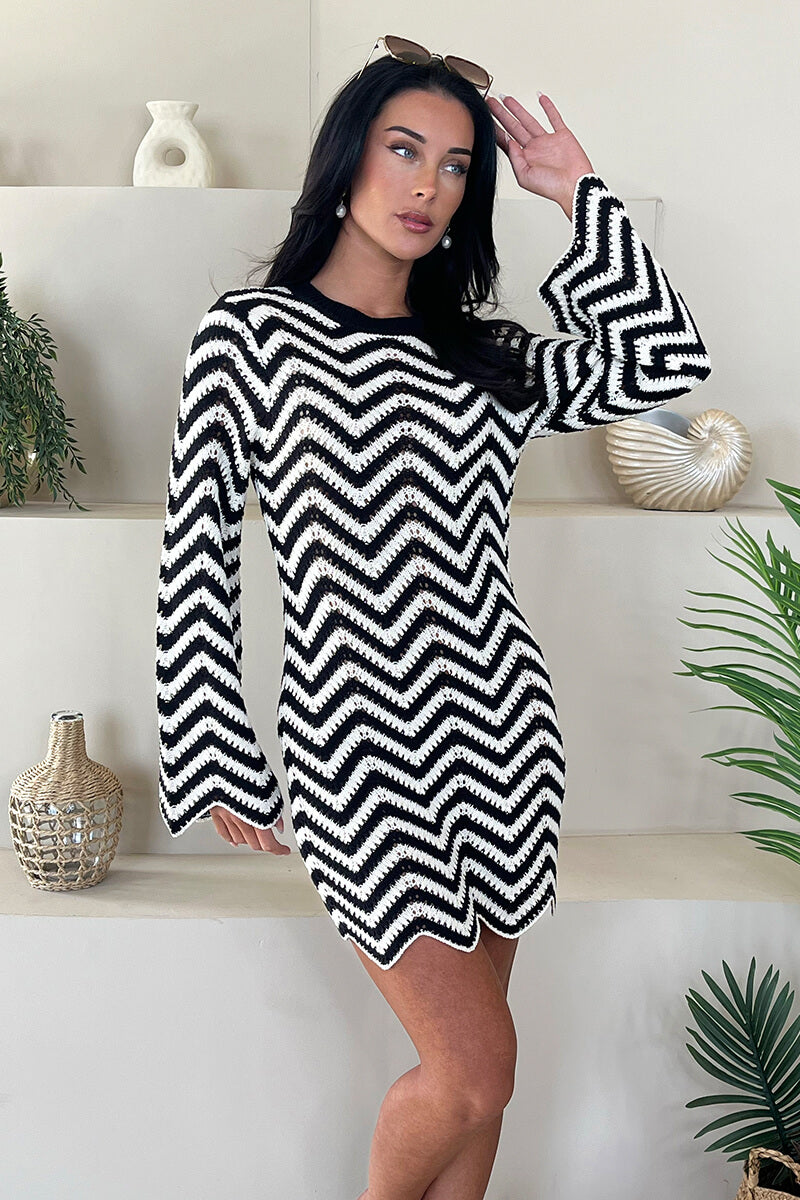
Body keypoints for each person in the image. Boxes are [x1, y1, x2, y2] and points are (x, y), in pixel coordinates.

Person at [155, 39, 712, 1200]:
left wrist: (576, 192)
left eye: (456, 165)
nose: (427, 185)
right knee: (470, 1071)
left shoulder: (484, 356)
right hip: (356, 749)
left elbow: (662, 360)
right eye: (403, 150)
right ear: (345, 158)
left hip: (502, 733)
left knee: (483, 1081)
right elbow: (195, 551)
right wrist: (214, 747)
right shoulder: (246, 339)